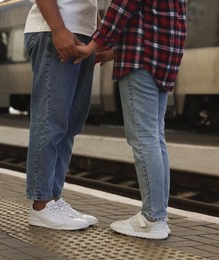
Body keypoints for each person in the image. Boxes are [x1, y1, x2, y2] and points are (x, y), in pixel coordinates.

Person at [74, 0, 187, 239]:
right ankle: (158, 215)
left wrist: (92, 45)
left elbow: (122, 7)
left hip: (140, 62)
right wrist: (116, 51)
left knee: (144, 138)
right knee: (155, 137)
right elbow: (160, 21)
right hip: (163, 61)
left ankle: (152, 219)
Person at [24, 0, 99, 230]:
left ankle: (54, 198)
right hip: (53, 30)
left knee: (69, 126)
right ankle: (41, 204)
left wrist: (99, 33)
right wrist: (58, 29)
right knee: (50, 121)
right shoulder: (56, 30)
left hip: (82, 33)